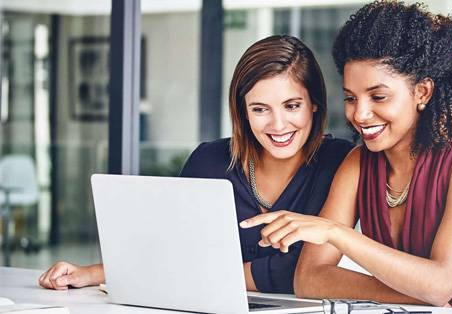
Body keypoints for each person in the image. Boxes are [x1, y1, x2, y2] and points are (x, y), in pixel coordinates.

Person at [240, 2, 452, 313]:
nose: (359, 114)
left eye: (378, 96)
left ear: (423, 92)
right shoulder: (358, 163)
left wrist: (336, 233)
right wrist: (415, 295)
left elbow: (442, 283)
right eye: (351, 98)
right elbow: (308, 279)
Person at [38, 35, 354, 294]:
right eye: (260, 109)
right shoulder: (210, 161)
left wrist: (200, 274)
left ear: (314, 103)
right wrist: (93, 273)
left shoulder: (340, 163)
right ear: (243, 111)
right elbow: (173, 251)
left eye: (292, 105)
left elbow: (300, 272)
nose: (278, 124)